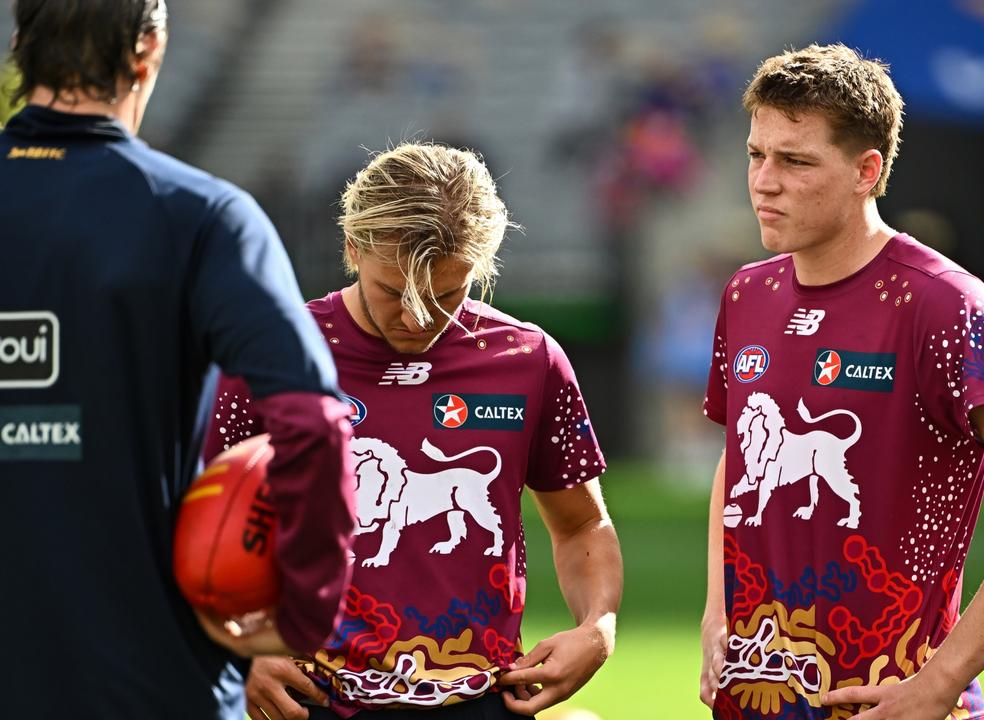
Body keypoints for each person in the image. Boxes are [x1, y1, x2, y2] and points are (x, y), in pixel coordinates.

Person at [0, 1, 357, 718]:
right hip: (150, 683)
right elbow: (313, 421)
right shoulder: (203, 216)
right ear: (149, 50)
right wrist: (305, 611)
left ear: (20, 44)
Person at [699, 44, 984, 720]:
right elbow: (744, 458)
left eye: (796, 161)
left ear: (868, 170)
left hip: (894, 700)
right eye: (757, 154)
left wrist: (945, 675)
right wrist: (717, 607)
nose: (764, 181)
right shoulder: (746, 294)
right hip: (756, 692)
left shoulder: (939, 302)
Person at [207, 142, 623, 720]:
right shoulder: (269, 354)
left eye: (446, 294)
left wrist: (597, 627)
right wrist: (234, 654)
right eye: (393, 292)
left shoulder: (527, 359)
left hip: (477, 701)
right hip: (310, 701)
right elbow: (195, 528)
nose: (418, 318)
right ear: (352, 248)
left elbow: (582, 522)